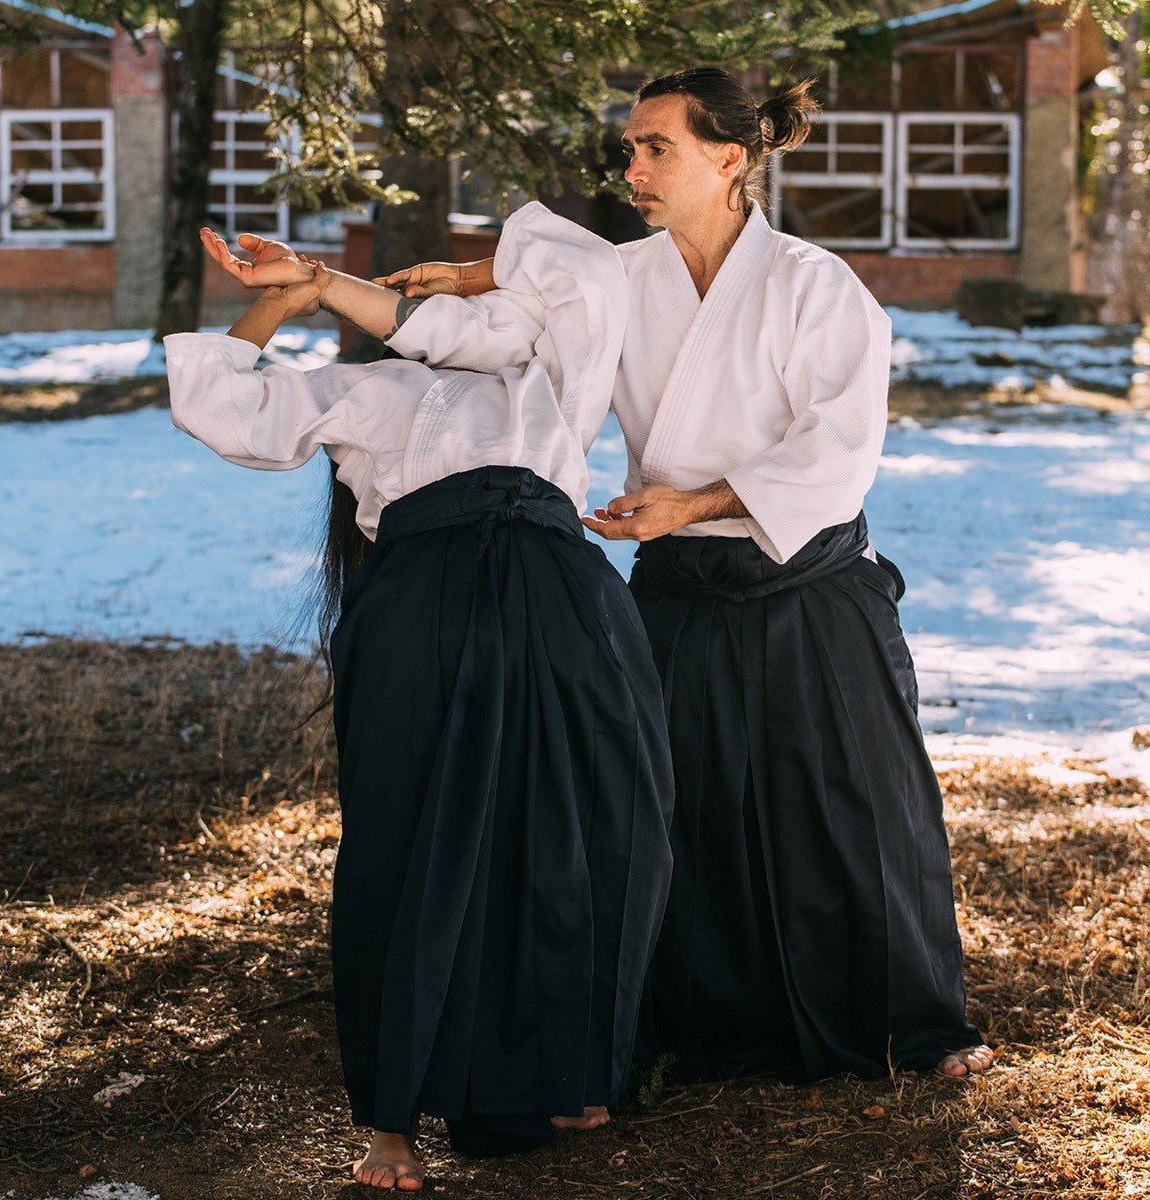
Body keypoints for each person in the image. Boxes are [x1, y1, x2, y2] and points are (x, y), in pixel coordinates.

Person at [375, 68, 993, 1086]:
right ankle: (691, 1025)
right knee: (663, 806)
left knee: (852, 808)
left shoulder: (814, 284)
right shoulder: (626, 279)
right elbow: (529, 313)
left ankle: (910, 1026)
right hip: (673, 587)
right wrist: (420, 284)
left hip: (806, 579)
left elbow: (840, 452)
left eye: (655, 145)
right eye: (628, 147)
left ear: (731, 158)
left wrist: (695, 502)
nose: (633, 167)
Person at [164, 201, 675, 1190]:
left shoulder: (552, 369)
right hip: (420, 609)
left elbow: (581, 274)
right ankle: (390, 1121)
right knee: (407, 842)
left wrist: (466, 273)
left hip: (562, 600)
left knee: (595, 824)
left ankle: (563, 1066)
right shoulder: (364, 390)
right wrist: (289, 297)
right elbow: (220, 407)